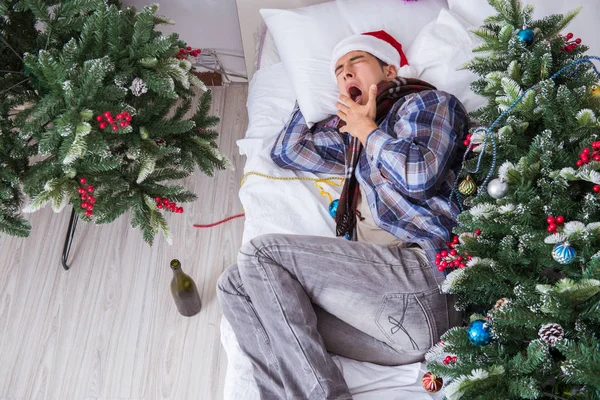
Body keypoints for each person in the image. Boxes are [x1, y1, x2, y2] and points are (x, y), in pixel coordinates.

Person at [217, 30, 469, 400]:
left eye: (357, 61)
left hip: (423, 278)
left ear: (389, 69)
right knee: (237, 285)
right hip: (391, 334)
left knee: (260, 253)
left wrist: (369, 130)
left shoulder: (426, 103)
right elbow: (289, 151)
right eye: (338, 70)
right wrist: (314, 102)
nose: (346, 73)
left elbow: (419, 176)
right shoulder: (352, 142)